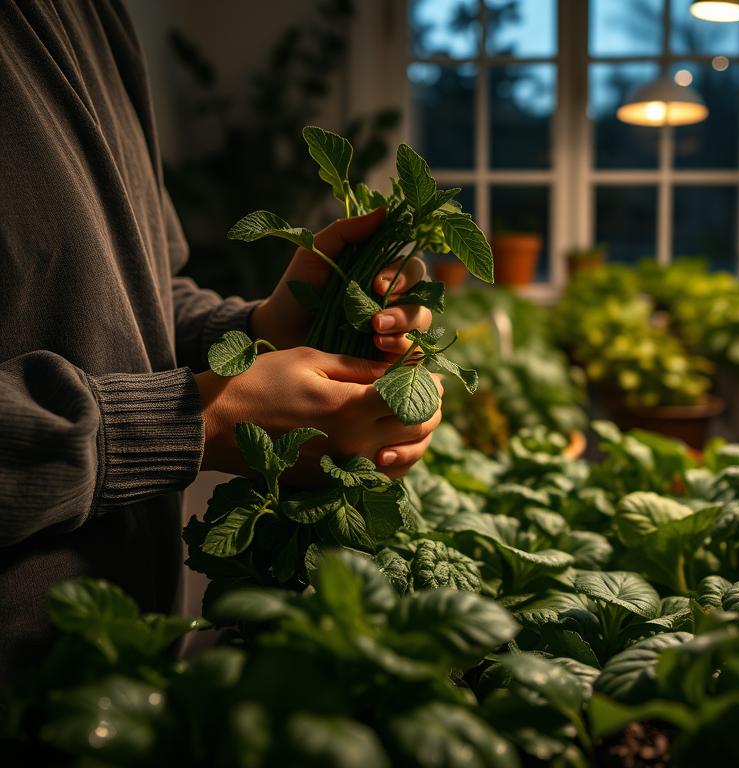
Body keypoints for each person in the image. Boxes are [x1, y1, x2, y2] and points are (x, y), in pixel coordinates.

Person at [0, 0, 439, 684]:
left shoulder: (92, 13)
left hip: (128, 657)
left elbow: (144, 290)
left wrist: (260, 332)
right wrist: (199, 417)